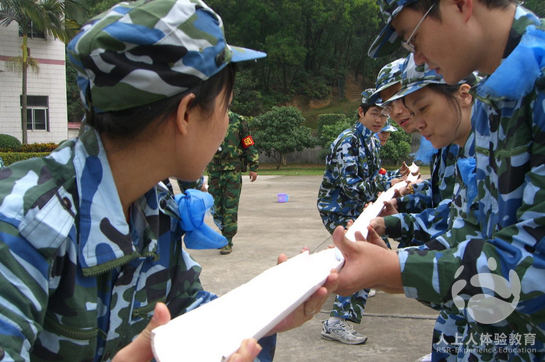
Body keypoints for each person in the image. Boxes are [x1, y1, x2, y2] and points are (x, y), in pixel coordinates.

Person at [0, 1, 338, 361]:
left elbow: (188, 311)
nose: (226, 125)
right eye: (226, 108)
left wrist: (264, 313)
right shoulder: (21, 221)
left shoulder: (154, 206)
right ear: (186, 114)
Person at [334, 0, 545, 361]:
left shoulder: (532, 87)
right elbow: (472, 229)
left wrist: (398, 270)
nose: (415, 61)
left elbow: (534, 265)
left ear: (460, 5)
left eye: (412, 39)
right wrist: (391, 266)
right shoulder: (498, 100)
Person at [317, 89, 408, 345]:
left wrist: (393, 174)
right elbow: (352, 185)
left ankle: (355, 285)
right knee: (363, 258)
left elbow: (372, 177)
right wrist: (389, 180)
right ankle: (335, 322)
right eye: (374, 113)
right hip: (337, 208)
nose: (379, 120)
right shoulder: (348, 141)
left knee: (376, 254)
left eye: (383, 114)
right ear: (361, 112)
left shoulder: (370, 140)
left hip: (358, 208)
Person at [207, 111, 259, 255]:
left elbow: (248, 142)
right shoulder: (208, 119)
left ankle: (227, 240)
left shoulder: (238, 120)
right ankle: (222, 234)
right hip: (214, 170)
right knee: (215, 205)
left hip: (232, 170)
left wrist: (253, 166)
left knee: (230, 205)